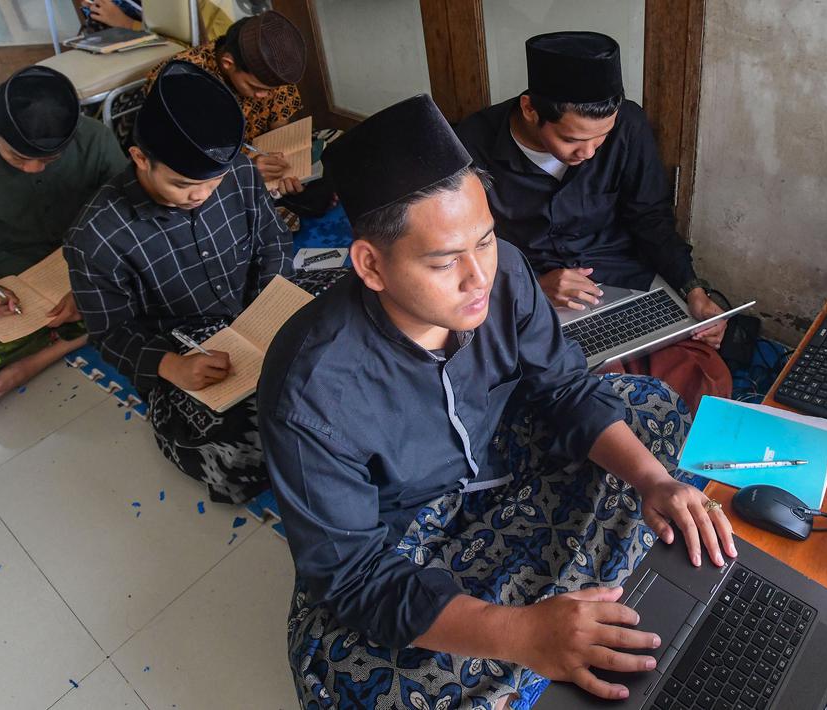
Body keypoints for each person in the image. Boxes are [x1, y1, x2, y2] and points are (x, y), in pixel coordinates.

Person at [258, 94, 737, 708]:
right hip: (405, 534)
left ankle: (550, 613)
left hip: (499, 457)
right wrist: (521, 634)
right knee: (352, 678)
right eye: (444, 262)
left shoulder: (506, 273)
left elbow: (564, 389)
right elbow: (353, 576)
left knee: (652, 411)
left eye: (484, 241)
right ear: (371, 265)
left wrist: (653, 481)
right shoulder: (312, 389)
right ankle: (547, 615)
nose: (479, 277)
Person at [454, 31, 733, 412]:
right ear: (531, 110)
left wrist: (693, 290)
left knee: (703, 378)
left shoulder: (628, 125)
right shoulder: (471, 145)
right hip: (528, 297)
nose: (587, 153)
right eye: (572, 140)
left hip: (621, 278)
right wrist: (533, 287)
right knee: (592, 396)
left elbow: (651, 218)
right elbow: (464, 248)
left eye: (601, 139)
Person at [66, 60, 292, 504]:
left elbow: (273, 241)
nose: (201, 195)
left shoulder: (239, 171)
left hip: (257, 312)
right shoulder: (96, 237)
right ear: (140, 159)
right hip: (188, 349)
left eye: (213, 181)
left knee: (364, 318)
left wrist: (273, 307)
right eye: (183, 184)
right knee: (244, 448)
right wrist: (172, 366)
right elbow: (110, 333)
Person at [0, 65, 128, 411]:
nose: (34, 168)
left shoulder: (93, 138)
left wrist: (88, 285)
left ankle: (55, 344)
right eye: (18, 157)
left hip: (96, 257)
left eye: (51, 158)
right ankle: (92, 326)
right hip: (19, 265)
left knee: (175, 272)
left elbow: (125, 214)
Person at [145, 11, 308, 199]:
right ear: (228, 63)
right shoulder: (181, 81)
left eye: (270, 90)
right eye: (255, 88)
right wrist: (244, 169)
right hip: (200, 184)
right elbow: (181, 161)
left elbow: (280, 129)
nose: (263, 96)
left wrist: (284, 166)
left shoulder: (269, 75)